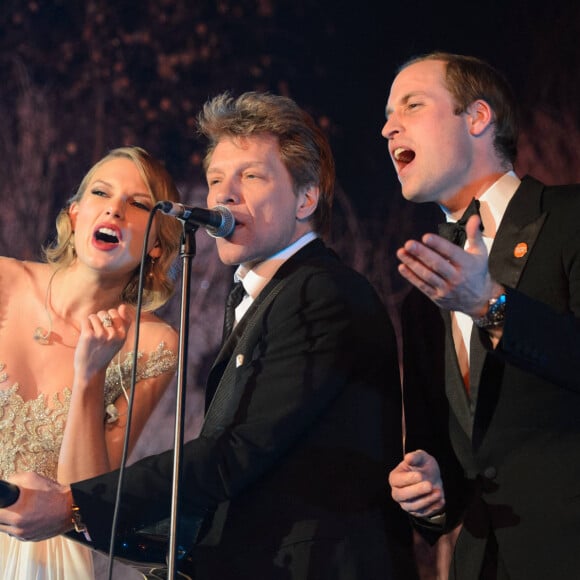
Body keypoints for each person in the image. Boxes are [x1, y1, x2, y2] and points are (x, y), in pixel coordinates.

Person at [0, 92, 416, 579]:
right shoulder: (263, 295)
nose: (223, 195)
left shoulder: (319, 293)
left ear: (306, 198)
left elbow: (237, 452)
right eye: (216, 179)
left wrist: (73, 503)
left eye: (251, 176)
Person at [384, 51, 580, 579]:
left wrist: (491, 307)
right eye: (386, 115)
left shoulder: (570, 218)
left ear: (477, 118)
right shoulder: (422, 297)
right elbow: (454, 469)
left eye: (412, 105)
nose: (387, 127)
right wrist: (427, 487)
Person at [0, 146, 182, 578]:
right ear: (75, 214)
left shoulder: (155, 344)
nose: (115, 210)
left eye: (138, 204)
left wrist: (89, 375)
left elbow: (85, 502)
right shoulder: (4, 281)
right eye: (102, 193)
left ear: (157, 245)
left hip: (45, 560)